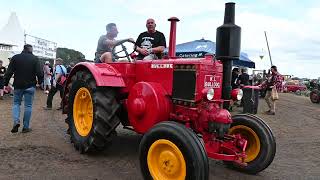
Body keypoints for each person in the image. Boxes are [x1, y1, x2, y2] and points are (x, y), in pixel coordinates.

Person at [4, 44, 43, 133]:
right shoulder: (35, 59)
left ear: (23, 49)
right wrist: (40, 83)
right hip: (30, 86)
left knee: (16, 103)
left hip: (18, 85)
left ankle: (16, 121)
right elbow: (40, 72)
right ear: (30, 50)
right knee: (28, 106)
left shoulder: (15, 58)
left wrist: (5, 83)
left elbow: (9, 72)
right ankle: (26, 127)